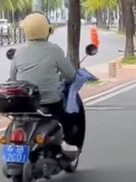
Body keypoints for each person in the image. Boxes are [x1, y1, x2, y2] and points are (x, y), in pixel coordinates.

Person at [9, 13, 82, 154]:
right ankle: (66, 142)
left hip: (24, 103)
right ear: (48, 31)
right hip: (48, 102)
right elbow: (71, 76)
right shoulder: (54, 50)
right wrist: (63, 79)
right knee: (67, 111)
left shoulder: (19, 52)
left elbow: (12, 79)